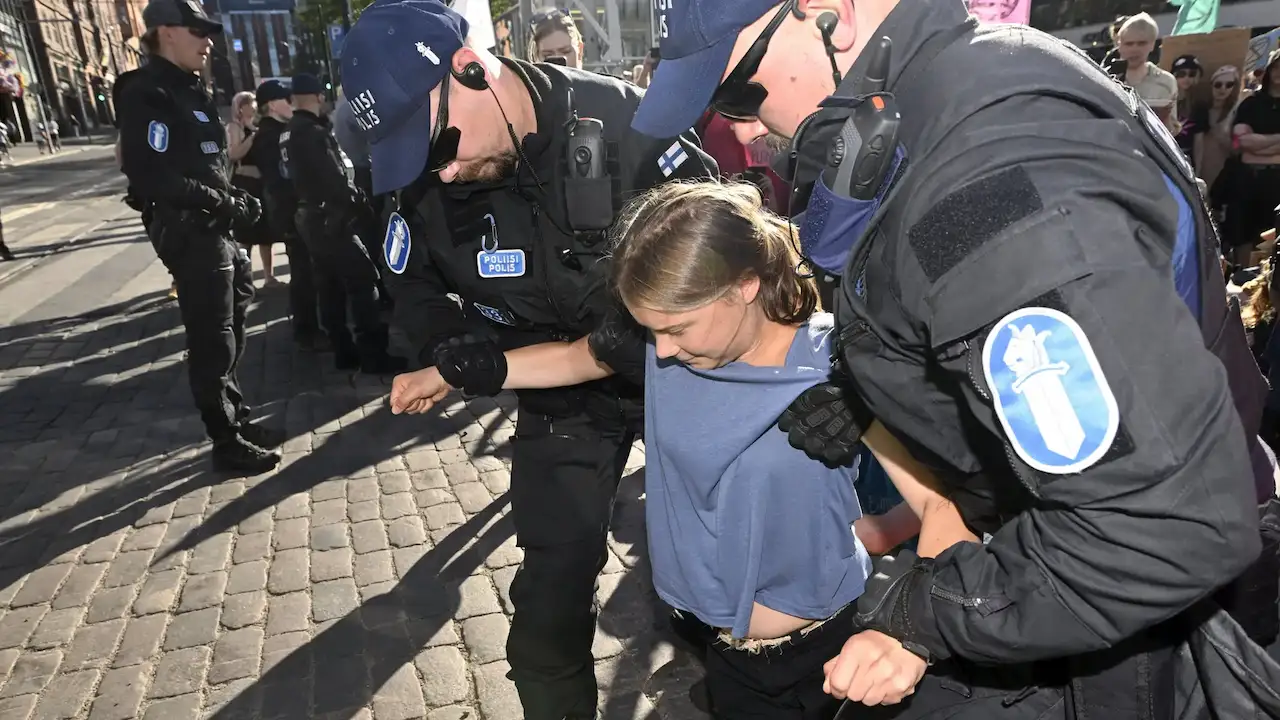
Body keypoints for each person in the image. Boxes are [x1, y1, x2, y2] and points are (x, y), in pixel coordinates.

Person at [635, 0, 1279, 715]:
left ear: (828, 16)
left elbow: (1160, 521)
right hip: (1068, 577)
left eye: (737, 93)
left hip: (1129, 620)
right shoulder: (952, 90)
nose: (741, 128)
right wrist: (876, 400)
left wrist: (925, 615)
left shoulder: (985, 178)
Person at [393, 180, 980, 718]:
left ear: (745, 284)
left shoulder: (838, 370)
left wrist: (906, 633)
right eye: (652, 330)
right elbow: (577, 358)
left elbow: (947, 508)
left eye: (677, 328)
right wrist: (458, 374)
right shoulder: (658, 344)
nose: (664, 353)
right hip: (721, 656)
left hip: (828, 659)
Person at [338, 1, 719, 716]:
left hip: (681, 379)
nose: (441, 174)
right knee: (546, 614)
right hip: (556, 396)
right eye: (419, 161)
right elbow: (410, 286)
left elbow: (732, 247)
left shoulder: (630, 122)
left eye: (440, 145)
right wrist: (444, 346)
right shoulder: (417, 178)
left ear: (470, 69)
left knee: (723, 574)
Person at [117, 0, 284, 474]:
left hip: (217, 227)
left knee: (233, 323)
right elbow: (152, 175)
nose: (208, 40)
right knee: (212, 337)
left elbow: (205, 163)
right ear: (166, 32)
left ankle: (237, 417)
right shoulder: (146, 92)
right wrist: (221, 202)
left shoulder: (188, 88)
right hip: (190, 231)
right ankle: (225, 440)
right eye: (197, 30)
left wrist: (235, 199)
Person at [284, 72, 405, 374]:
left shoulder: (289, 132)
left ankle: (344, 350)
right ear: (318, 97)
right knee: (364, 280)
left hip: (309, 217)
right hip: (330, 219)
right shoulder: (313, 132)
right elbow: (335, 179)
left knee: (329, 286)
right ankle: (374, 354)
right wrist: (360, 205)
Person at [248, 79, 325, 350]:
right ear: (271, 104)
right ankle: (306, 331)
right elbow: (279, 178)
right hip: (289, 210)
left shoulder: (279, 130)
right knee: (303, 272)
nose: (290, 103)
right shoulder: (269, 135)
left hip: (293, 209)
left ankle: (307, 326)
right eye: (285, 99)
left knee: (305, 270)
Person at [1230, 51, 1280, 270]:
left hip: (1277, 179)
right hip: (1248, 177)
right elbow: (1241, 143)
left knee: (1273, 234)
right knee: (1243, 234)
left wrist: (1258, 143)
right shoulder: (1251, 103)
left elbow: (1252, 144)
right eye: (1276, 67)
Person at [227, 91, 278, 287]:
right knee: (245, 234)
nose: (254, 106)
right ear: (241, 107)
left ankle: (269, 277)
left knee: (265, 233)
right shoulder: (235, 127)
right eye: (250, 103)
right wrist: (251, 138)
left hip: (260, 183)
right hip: (244, 183)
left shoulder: (256, 127)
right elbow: (234, 153)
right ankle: (244, 279)